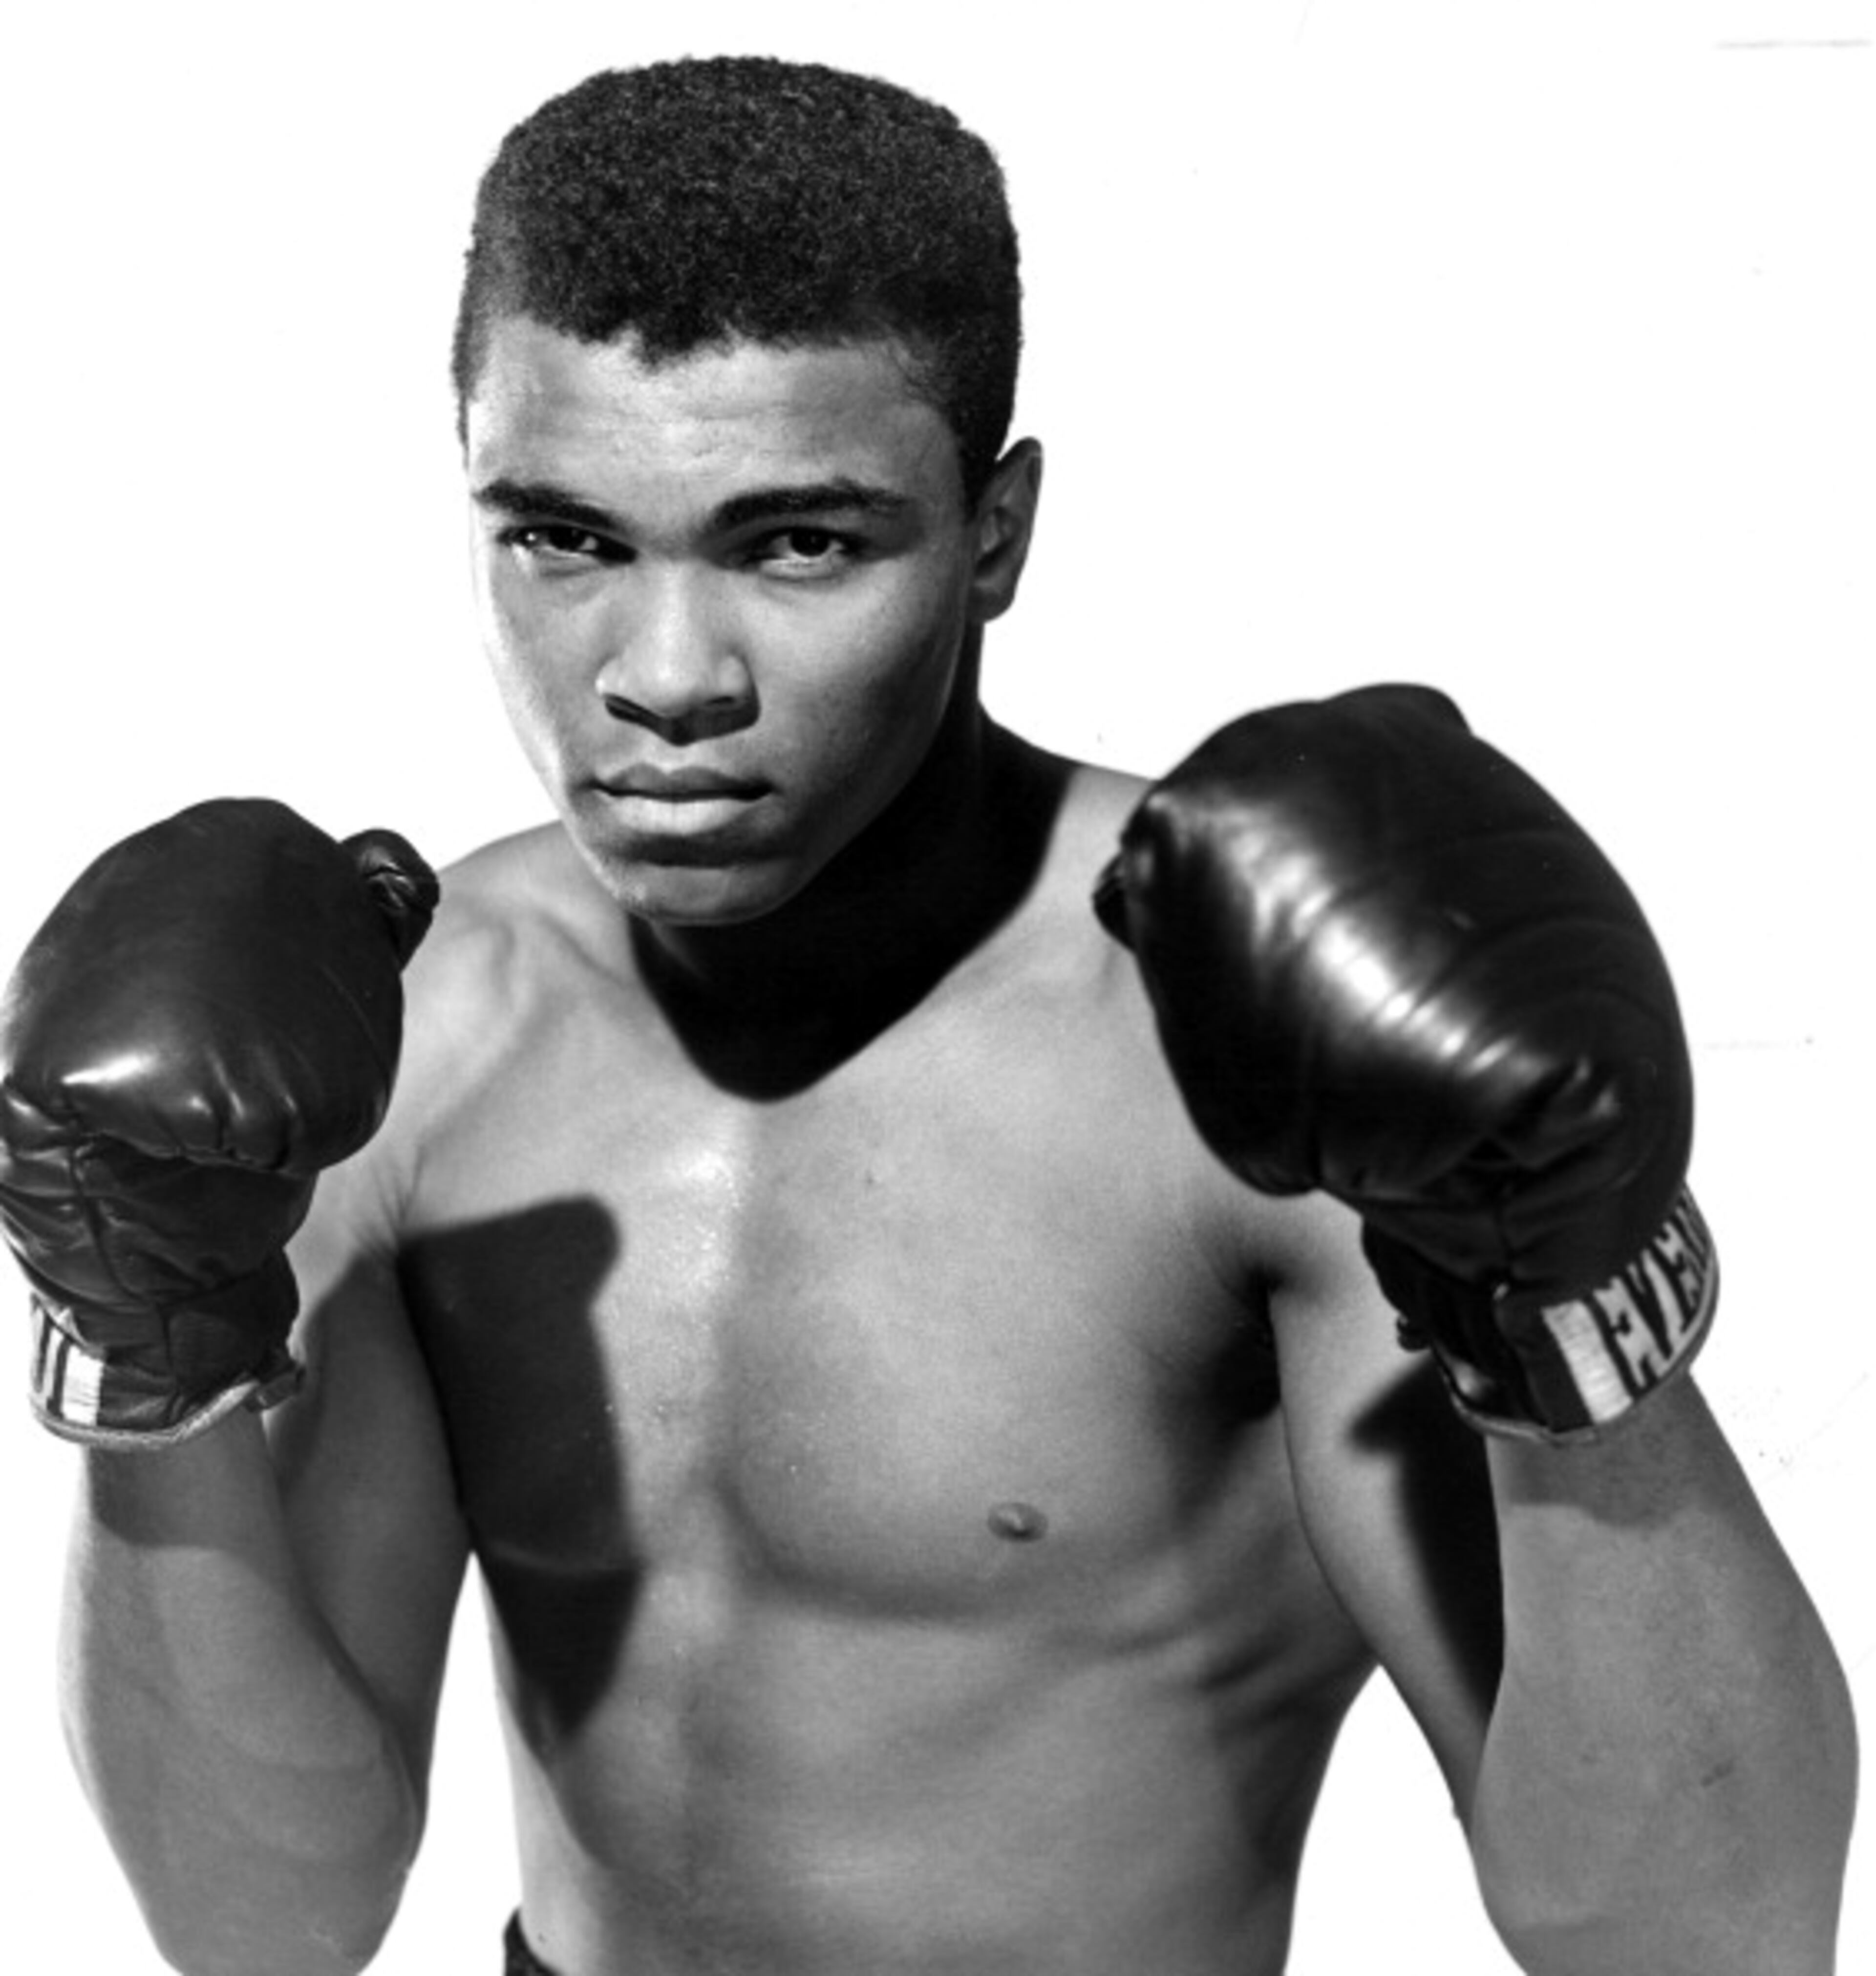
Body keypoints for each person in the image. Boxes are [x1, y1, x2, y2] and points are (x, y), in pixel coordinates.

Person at [0, 55, 1857, 1976]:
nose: (664, 679)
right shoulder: (410, 1041)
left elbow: (1707, 1946)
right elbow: (258, 1927)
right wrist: (143, 1363)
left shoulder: (1235, 1052)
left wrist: (1570, 1307)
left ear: (994, 533)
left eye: (799, 543)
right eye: (564, 537)